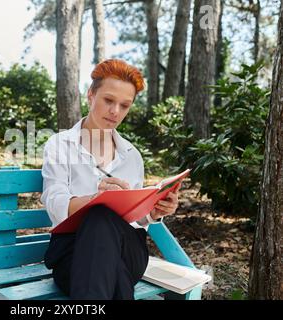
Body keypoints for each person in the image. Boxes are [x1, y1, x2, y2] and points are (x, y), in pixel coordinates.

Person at [40, 59, 181, 300]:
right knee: (99, 216)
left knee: (103, 220)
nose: (115, 111)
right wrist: (95, 199)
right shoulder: (60, 145)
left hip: (128, 250)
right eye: (108, 100)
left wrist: (154, 213)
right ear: (90, 95)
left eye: (124, 105)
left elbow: (136, 220)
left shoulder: (131, 155)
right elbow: (54, 202)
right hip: (72, 251)